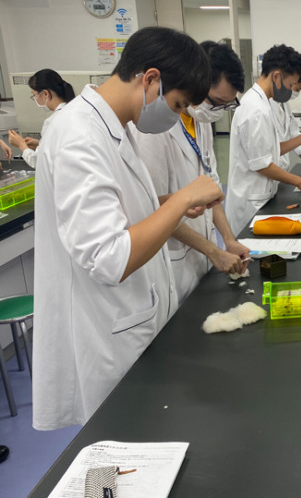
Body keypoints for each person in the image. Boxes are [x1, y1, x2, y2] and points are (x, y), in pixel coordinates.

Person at [33, 27, 224, 430]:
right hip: (107, 333)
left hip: (134, 320)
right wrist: (181, 200)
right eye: (177, 104)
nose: (175, 116)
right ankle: (100, 492)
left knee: (146, 450)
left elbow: (123, 209)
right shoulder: (77, 136)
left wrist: (169, 205)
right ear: (150, 78)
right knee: (113, 465)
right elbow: (109, 258)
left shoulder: (113, 126)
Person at [132, 40, 251, 303]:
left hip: (203, 252)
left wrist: (228, 241)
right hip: (172, 258)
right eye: (217, 102)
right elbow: (156, 207)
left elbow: (212, 188)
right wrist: (213, 250)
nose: (217, 112)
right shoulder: (154, 130)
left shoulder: (200, 120)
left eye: (226, 106)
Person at [226, 44, 301, 236]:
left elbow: (271, 150)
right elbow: (262, 164)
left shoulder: (263, 104)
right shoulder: (256, 110)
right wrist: (299, 182)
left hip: (263, 194)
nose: (291, 92)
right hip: (251, 202)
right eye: (291, 85)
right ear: (276, 76)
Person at [7, 69, 75, 168]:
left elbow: (38, 161)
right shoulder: (74, 111)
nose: (34, 98)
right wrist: (40, 144)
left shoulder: (53, 122)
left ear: (45, 94)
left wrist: (21, 145)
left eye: (34, 95)